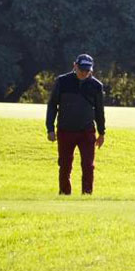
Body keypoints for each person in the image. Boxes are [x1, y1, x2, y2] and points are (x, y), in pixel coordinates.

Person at [45, 54, 106, 195]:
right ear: (75, 66)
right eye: (81, 69)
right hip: (65, 130)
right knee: (65, 165)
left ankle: (87, 194)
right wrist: (50, 128)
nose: (84, 73)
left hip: (87, 131)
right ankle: (65, 193)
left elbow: (99, 111)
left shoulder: (96, 86)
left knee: (88, 166)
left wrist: (102, 132)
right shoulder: (62, 82)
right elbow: (53, 105)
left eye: (87, 70)